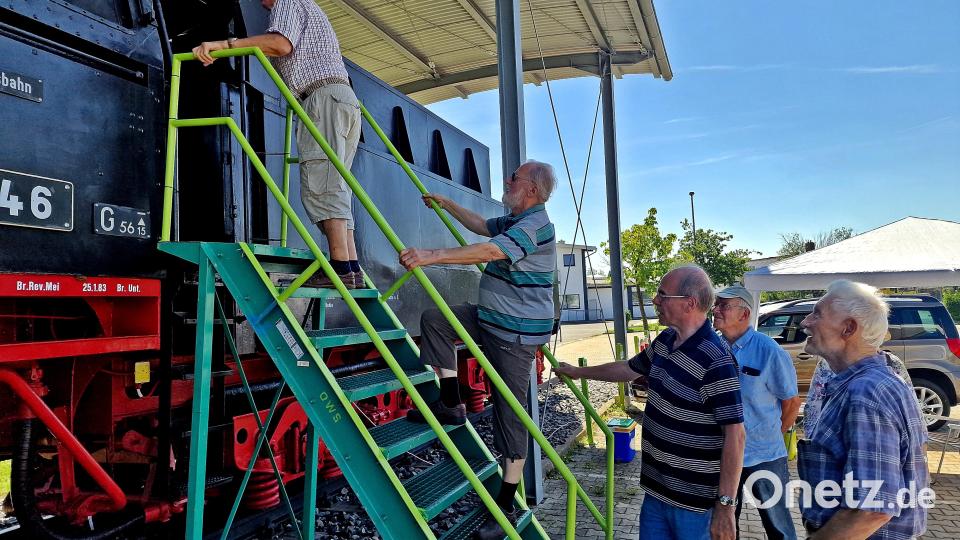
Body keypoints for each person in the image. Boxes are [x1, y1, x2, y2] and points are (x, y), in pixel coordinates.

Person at [398, 160, 557, 539]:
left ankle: (505, 504)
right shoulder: (516, 219)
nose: (507, 181)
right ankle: (451, 402)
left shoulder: (535, 226)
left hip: (514, 334)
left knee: (510, 413)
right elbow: (482, 226)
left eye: (514, 178)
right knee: (436, 319)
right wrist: (445, 203)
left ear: (531, 190)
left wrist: (430, 255)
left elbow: (488, 251)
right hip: (490, 318)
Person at [556, 265, 745, 540]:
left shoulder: (717, 360)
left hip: (694, 506)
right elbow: (629, 369)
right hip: (657, 492)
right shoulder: (666, 340)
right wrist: (577, 371)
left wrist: (726, 508)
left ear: (689, 303)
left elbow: (736, 435)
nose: (655, 300)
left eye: (662, 294)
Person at [193, 0, 363, 288]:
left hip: (321, 99)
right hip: (341, 99)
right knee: (336, 184)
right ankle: (352, 268)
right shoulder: (308, 7)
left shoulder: (287, 1)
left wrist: (225, 45)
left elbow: (280, 44)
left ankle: (340, 269)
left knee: (323, 182)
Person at [796, 280, 928, 539]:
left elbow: (871, 511)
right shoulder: (868, 384)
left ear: (848, 328)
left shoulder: (866, 393)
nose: (805, 322)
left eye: (817, 313)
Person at [712, 284, 800, 540]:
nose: (715, 310)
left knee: (778, 524)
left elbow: (792, 403)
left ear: (743, 314)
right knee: (725, 524)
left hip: (764, 454)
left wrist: (772, 434)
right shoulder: (713, 349)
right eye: (716, 304)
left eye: (723, 305)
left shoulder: (768, 350)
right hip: (724, 454)